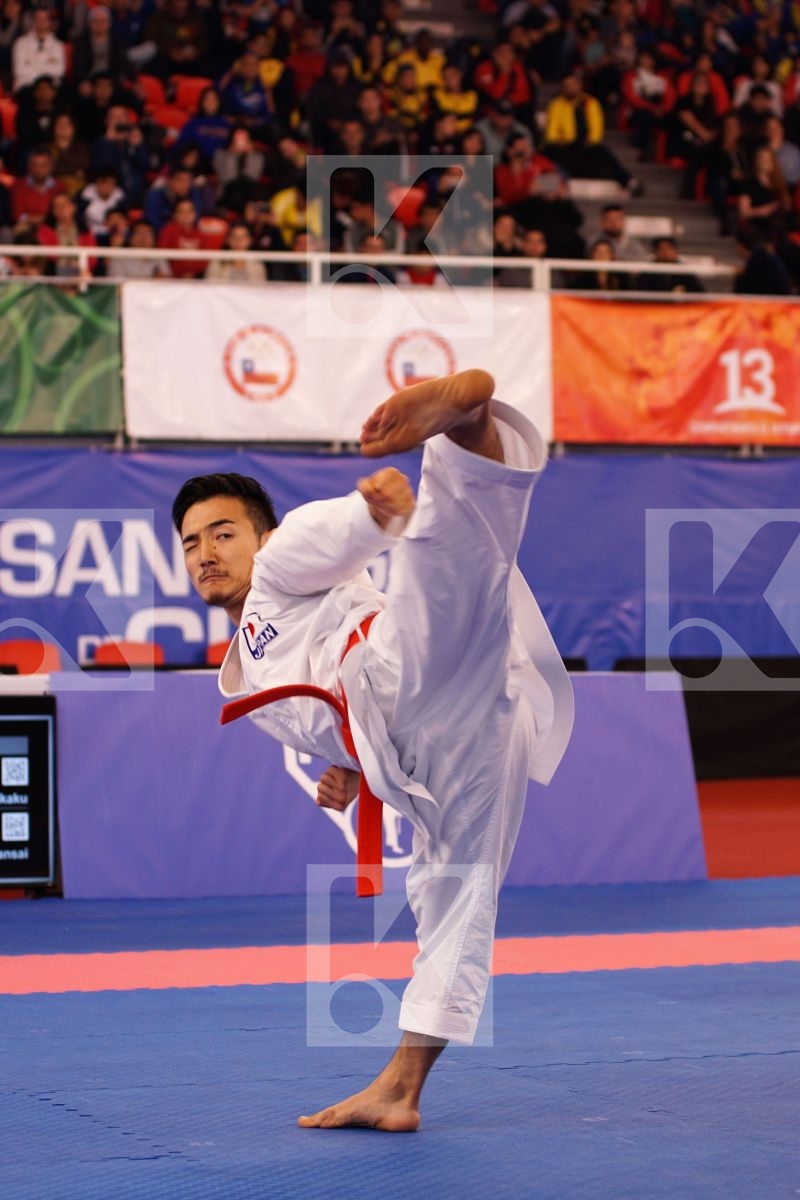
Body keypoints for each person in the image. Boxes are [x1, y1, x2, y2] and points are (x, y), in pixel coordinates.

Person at [173, 369, 573, 1130]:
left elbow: (311, 543)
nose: (205, 553)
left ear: (259, 536)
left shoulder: (277, 570)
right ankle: (400, 1091)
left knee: (444, 565)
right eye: (191, 542)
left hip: (400, 671)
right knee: (454, 895)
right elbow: (323, 700)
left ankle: (464, 427)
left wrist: (369, 515)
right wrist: (351, 763)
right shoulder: (244, 666)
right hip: (450, 740)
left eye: (223, 533)